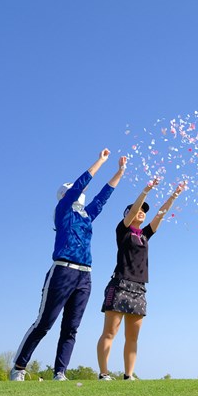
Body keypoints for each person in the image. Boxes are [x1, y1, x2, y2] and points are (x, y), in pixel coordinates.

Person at [10, 149, 126, 381]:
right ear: (65, 195)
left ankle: (60, 373)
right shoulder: (62, 211)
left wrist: (119, 172)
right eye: (75, 191)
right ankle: (19, 368)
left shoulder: (86, 216)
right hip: (62, 271)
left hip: (85, 276)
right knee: (44, 323)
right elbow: (78, 186)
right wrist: (101, 161)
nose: (81, 193)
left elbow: (103, 197)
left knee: (71, 328)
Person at [96, 178, 185, 381]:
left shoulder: (145, 234)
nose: (142, 212)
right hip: (120, 284)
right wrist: (146, 190)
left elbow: (160, 214)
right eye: (137, 210)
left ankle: (128, 375)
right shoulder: (123, 230)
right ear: (127, 215)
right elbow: (134, 210)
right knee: (110, 332)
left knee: (133, 337)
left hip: (139, 288)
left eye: (144, 211)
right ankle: (104, 373)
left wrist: (174, 195)